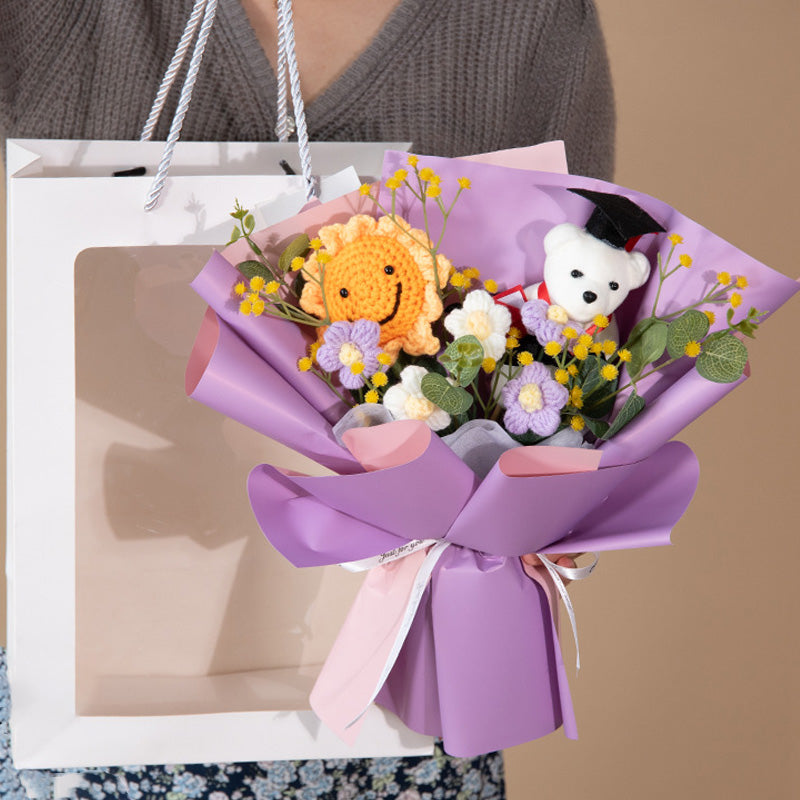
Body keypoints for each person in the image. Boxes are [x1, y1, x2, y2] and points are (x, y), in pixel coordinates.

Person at [0, 1, 614, 797]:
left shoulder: (524, 21)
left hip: (400, 696)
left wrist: (548, 497)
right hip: (78, 682)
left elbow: (577, 341)